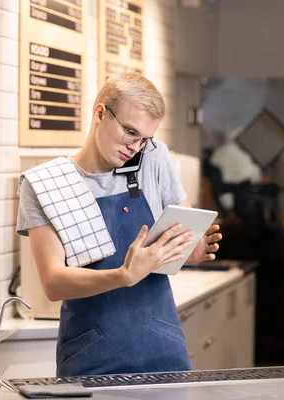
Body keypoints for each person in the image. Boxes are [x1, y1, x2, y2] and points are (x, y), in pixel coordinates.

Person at [16, 73, 222, 377]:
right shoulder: (44, 185)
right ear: (100, 112)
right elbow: (53, 282)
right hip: (90, 359)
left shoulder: (153, 159)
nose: (135, 147)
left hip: (163, 350)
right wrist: (123, 276)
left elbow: (181, 233)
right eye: (129, 132)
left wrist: (187, 250)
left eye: (143, 139)